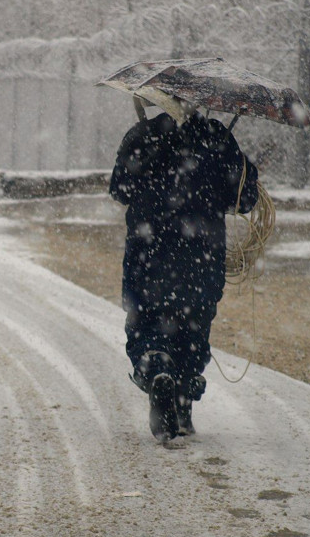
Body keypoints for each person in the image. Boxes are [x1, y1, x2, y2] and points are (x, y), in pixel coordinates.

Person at [109, 98, 258, 442]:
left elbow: (119, 190)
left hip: (148, 256)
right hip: (201, 257)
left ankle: (156, 365)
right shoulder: (217, 137)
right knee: (192, 332)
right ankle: (183, 394)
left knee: (146, 323)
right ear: (199, 102)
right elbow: (245, 197)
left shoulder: (144, 133)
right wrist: (226, 166)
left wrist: (145, 150)